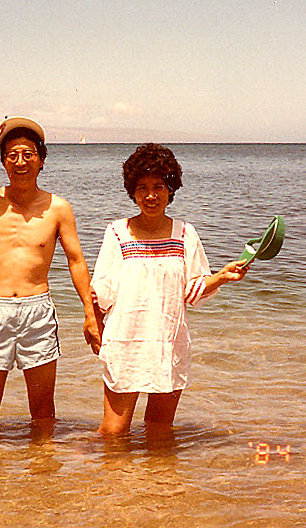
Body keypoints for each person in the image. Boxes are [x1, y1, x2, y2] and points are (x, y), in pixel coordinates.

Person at [0, 117, 100, 428]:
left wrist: (90, 314)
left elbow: (76, 260)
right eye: (12, 155)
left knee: (43, 411)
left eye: (28, 154)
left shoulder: (58, 208)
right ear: (3, 162)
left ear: (41, 160)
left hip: (37, 312)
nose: (20, 162)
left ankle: (42, 461)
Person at [90, 143, 249, 435]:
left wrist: (222, 277)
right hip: (126, 342)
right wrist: (93, 324)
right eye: (142, 187)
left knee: (160, 432)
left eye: (159, 187)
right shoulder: (117, 232)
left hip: (169, 343)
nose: (151, 195)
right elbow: (101, 292)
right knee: (113, 433)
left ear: (170, 189)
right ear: (132, 191)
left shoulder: (185, 234)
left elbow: (192, 291)